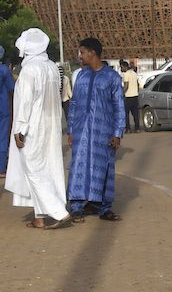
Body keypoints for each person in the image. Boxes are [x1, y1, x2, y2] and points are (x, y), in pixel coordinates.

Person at [4, 28, 73, 229]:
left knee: (33, 169)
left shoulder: (30, 70)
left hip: (32, 126)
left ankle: (58, 212)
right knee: (48, 168)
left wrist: (20, 129)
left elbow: (25, 102)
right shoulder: (52, 67)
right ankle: (40, 217)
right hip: (51, 125)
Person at [67, 37, 127, 222]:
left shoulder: (112, 77)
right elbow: (74, 103)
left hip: (104, 132)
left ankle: (103, 207)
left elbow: (119, 107)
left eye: (82, 52)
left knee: (104, 168)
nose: (80, 56)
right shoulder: (81, 76)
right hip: (80, 132)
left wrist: (117, 133)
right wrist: (70, 129)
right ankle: (76, 206)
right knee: (79, 167)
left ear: (92, 53)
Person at [0, 47, 13, 176]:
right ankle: (1, 168)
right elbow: (11, 88)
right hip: (3, 107)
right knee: (3, 137)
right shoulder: (4, 70)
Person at [120, 60, 141, 134]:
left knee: (126, 114)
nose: (121, 69)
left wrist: (122, 93)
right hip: (135, 96)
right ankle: (137, 128)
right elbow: (138, 84)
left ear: (125, 67)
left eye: (121, 67)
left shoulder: (126, 74)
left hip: (128, 97)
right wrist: (137, 92)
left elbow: (126, 86)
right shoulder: (134, 73)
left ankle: (128, 129)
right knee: (135, 114)